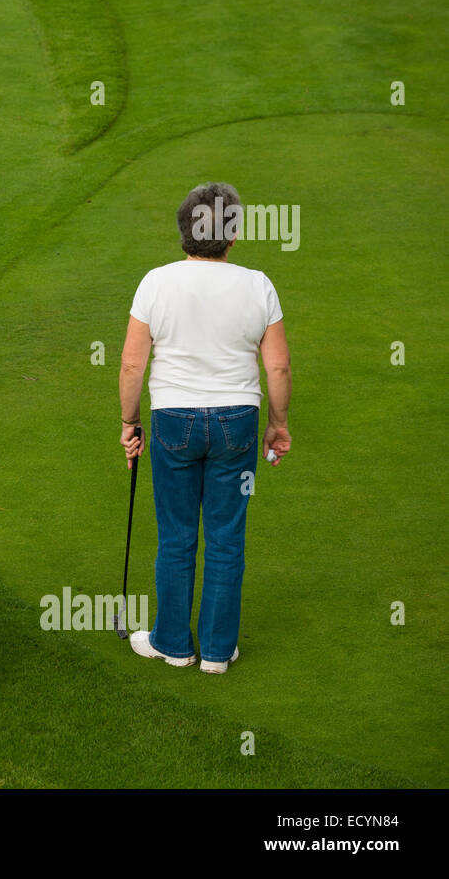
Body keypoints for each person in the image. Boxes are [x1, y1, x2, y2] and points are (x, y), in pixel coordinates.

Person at [119, 181, 292, 674]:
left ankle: (174, 645)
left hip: (173, 420)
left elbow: (133, 367)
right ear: (232, 235)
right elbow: (277, 369)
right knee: (226, 535)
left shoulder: (156, 282)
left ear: (183, 232)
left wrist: (130, 422)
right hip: (238, 422)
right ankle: (217, 651)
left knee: (176, 536)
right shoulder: (258, 285)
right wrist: (277, 425)